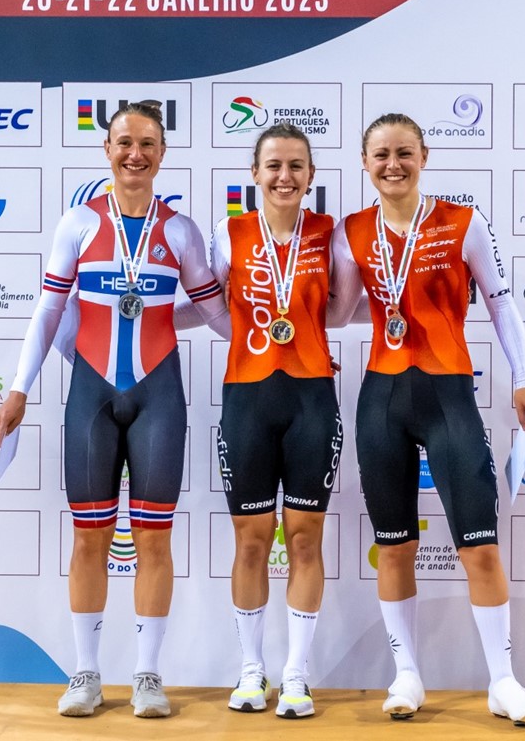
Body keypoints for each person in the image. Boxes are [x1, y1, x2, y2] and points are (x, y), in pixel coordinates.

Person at [0, 102, 229, 720]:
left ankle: (148, 675)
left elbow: (214, 312)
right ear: (107, 150)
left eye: (147, 143)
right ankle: (87, 673)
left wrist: (284, 346)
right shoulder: (78, 223)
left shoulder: (182, 232)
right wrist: (19, 387)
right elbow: (49, 310)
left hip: (159, 396)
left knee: (155, 539)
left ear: (162, 153)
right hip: (91, 395)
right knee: (88, 537)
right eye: (124, 142)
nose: (135, 154)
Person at [329, 113, 525, 726]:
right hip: (381, 399)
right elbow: (341, 311)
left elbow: (501, 302)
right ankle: (406, 675)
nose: (393, 164)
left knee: (480, 547)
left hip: (449, 396)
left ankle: (503, 682)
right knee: (394, 548)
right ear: (365, 163)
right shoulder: (351, 231)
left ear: (423, 157)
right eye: (381, 155)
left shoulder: (462, 221)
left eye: (404, 152)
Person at [209, 122, 345, 719]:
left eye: (295, 166)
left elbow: (342, 306)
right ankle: (251, 669)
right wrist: (250, 340)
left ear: (310, 175)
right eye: (273, 166)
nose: (284, 176)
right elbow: (210, 306)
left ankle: (296, 675)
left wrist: (307, 336)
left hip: (311, 397)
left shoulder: (329, 234)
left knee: (305, 538)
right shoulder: (229, 232)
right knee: (251, 540)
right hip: (247, 397)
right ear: (255, 174)